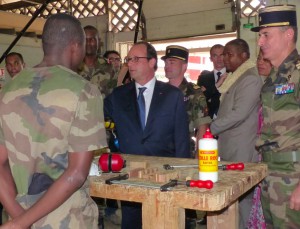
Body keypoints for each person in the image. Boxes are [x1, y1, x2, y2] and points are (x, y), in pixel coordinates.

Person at [0, 13, 107, 229]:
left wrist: (20, 219)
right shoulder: (84, 91)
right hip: (66, 219)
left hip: (17, 211)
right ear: (76, 46)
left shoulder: (8, 89)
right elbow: (76, 174)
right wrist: (23, 222)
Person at [104, 41, 190, 229]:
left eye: (136, 59)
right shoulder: (118, 96)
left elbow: (182, 139)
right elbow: (96, 119)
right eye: (128, 60)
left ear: (152, 62)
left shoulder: (171, 95)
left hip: (164, 176)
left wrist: (182, 175)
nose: (130, 64)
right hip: (130, 176)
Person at [251, 4, 300, 228]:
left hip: (293, 178)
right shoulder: (273, 79)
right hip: (271, 175)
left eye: (265, 35)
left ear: (288, 34)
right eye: (260, 35)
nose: (260, 42)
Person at [210, 38, 263, 228]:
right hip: (230, 145)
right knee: (234, 199)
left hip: (242, 147)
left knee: (243, 198)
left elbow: (239, 114)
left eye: (229, 54)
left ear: (244, 56)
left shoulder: (250, 78)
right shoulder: (235, 77)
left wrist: (212, 127)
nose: (224, 58)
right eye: (223, 54)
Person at [162, 45, 210, 229]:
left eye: (172, 62)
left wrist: (199, 158)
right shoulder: (159, 91)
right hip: (160, 155)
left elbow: (203, 127)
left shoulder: (194, 93)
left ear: (184, 66)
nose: (167, 66)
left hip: (185, 157)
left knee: (185, 207)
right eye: (166, 62)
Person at [78, 25, 114, 98]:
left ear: (99, 42)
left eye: (92, 39)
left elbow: (114, 95)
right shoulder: (72, 67)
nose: (88, 43)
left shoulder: (108, 67)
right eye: (85, 40)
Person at [197, 44, 226, 119]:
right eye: (215, 55)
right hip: (208, 120)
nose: (219, 59)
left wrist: (209, 93)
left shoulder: (233, 75)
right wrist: (217, 84)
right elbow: (201, 100)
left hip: (228, 120)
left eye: (221, 55)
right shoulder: (203, 78)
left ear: (226, 56)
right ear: (211, 59)